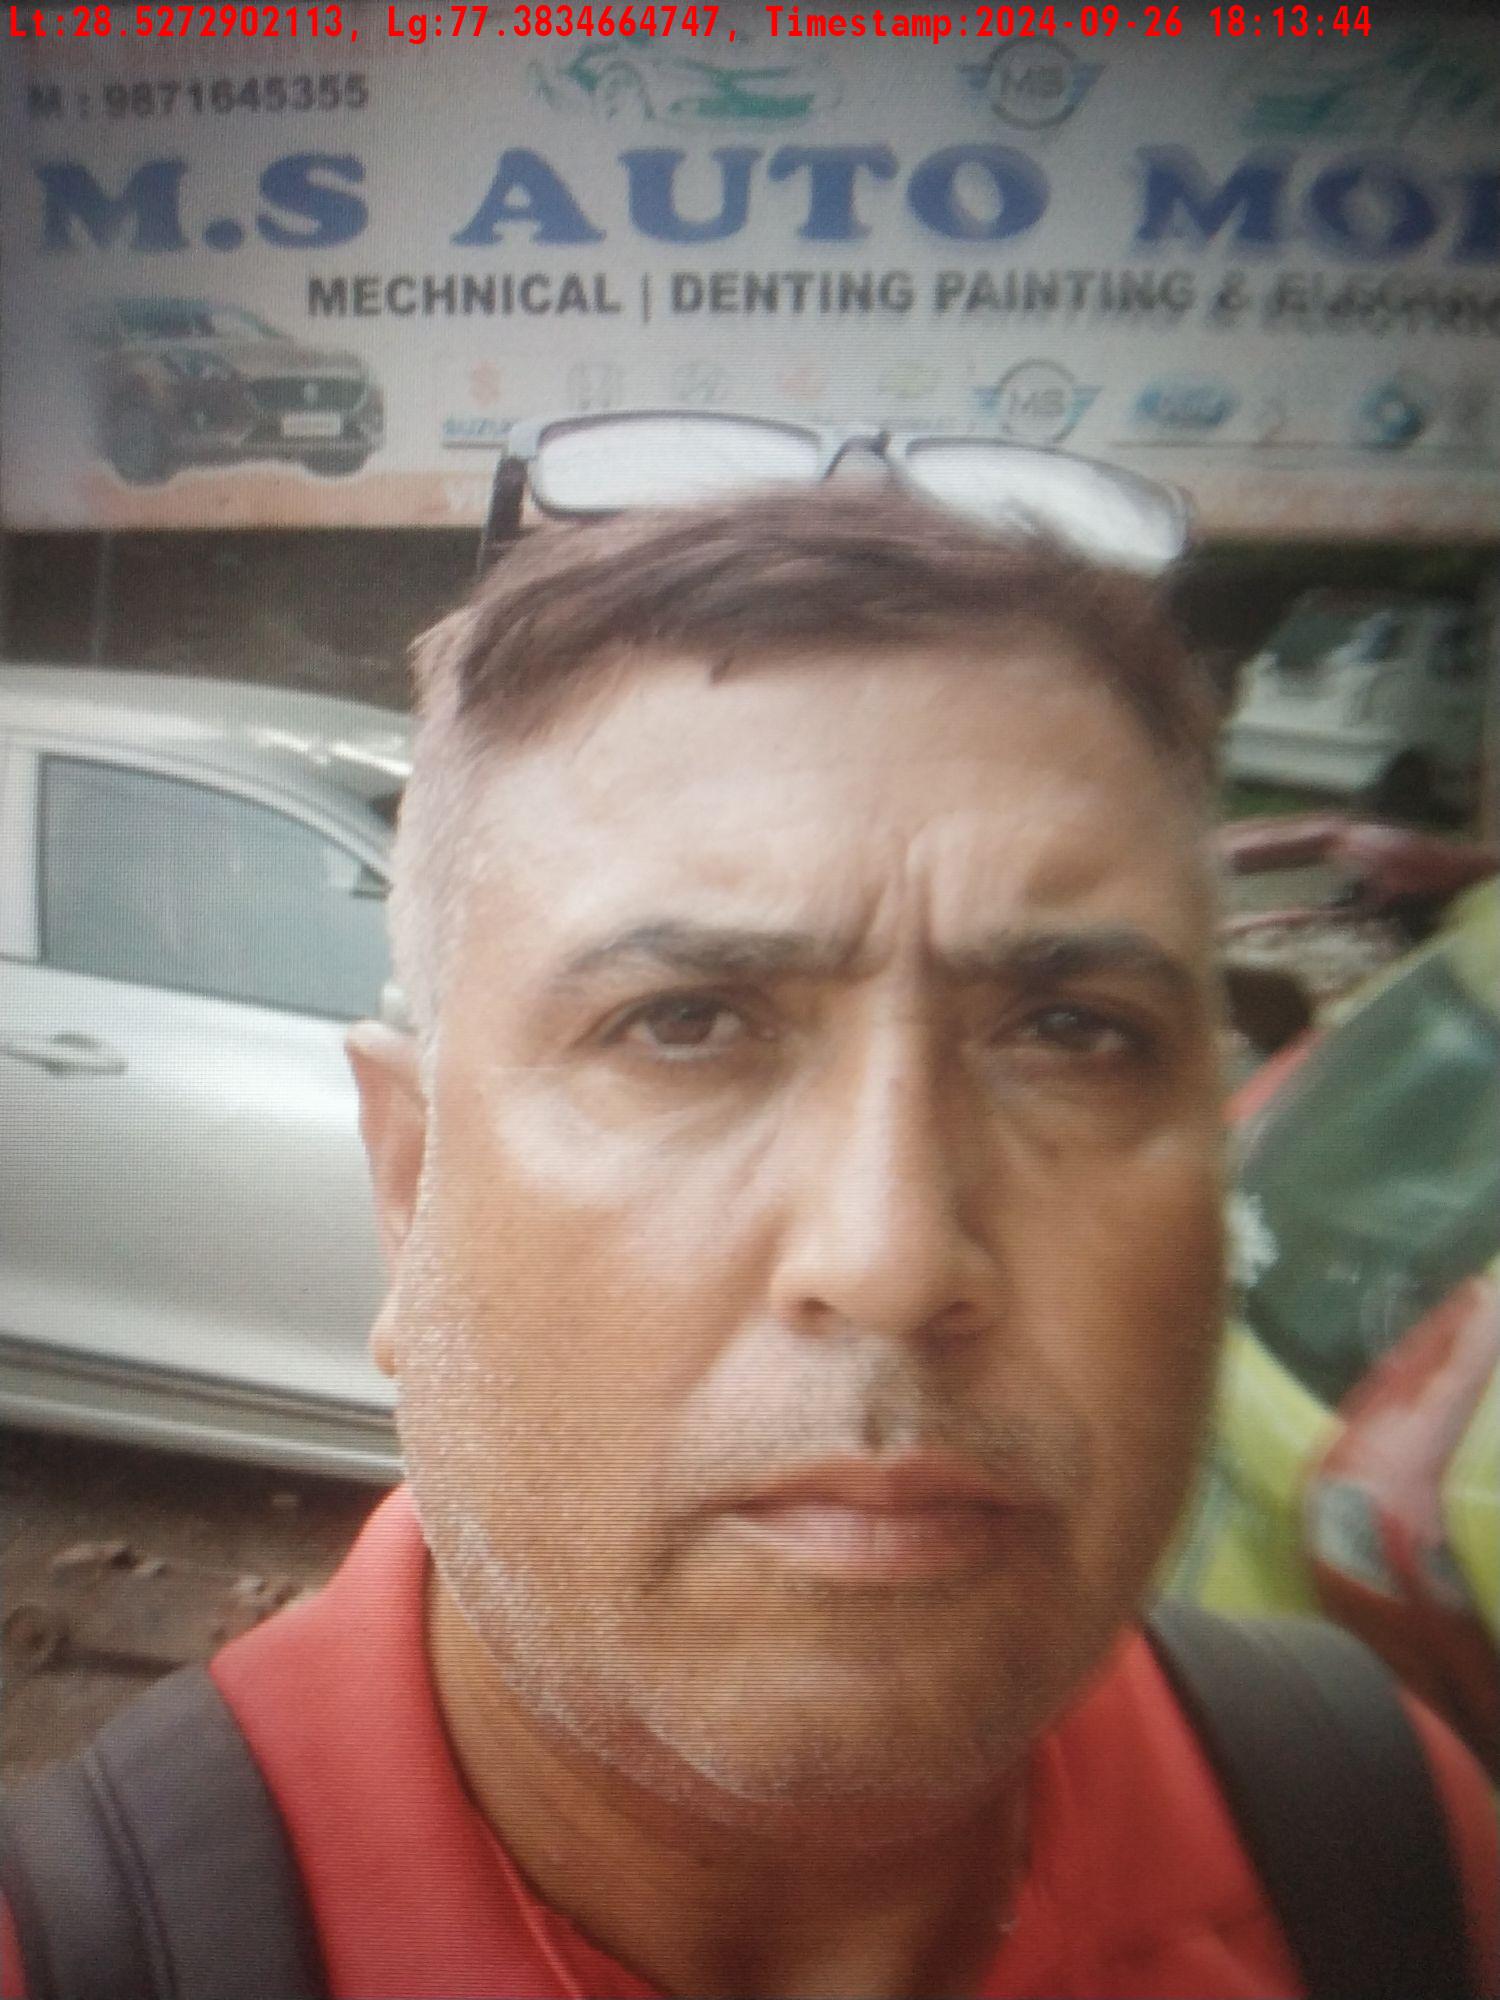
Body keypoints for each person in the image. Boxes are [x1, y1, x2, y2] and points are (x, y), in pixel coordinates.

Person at [3, 485, 1496, 2000]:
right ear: (409, 1188)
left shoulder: (1385, 1848)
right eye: (685, 1024)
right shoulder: (77, 1952)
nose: (894, 1258)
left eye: (1072, 1033)